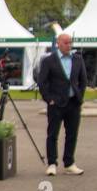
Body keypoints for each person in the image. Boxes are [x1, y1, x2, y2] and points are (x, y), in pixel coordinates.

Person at [37, 32, 86, 175]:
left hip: (73, 103)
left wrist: (79, 96)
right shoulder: (49, 61)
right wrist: (49, 99)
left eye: (70, 42)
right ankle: (52, 163)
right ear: (58, 43)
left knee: (72, 134)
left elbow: (83, 81)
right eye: (66, 42)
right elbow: (42, 82)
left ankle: (69, 163)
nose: (69, 45)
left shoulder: (78, 59)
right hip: (56, 104)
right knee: (52, 134)